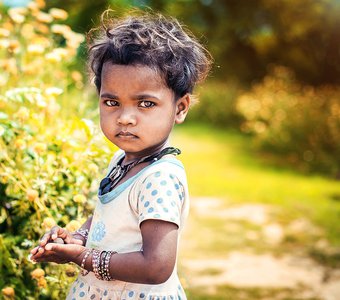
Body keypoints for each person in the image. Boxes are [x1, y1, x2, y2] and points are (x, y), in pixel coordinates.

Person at [30, 9, 211, 300]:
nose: (125, 117)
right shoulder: (123, 160)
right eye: (112, 102)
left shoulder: (159, 178)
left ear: (180, 108)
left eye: (146, 104)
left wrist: (82, 257)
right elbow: (107, 219)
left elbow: (156, 266)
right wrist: (77, 238)